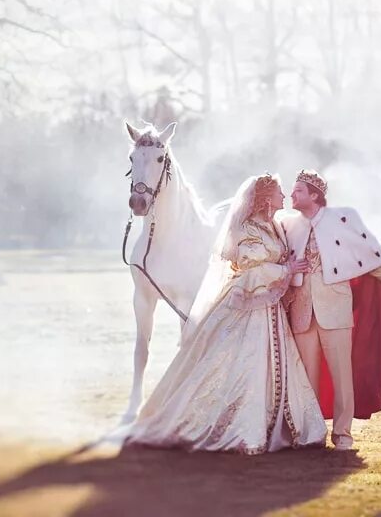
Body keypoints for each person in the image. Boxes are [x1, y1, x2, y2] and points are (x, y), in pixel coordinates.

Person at [125, 174, 327, 454]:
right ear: (267, 199)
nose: (284, 197)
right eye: (280, 192)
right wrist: (285, 270)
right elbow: (246, 268)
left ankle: (277, 424)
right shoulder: (245, 228)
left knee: (269, 368)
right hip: (248, 309)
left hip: (271, 312)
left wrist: (289, 269)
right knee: (241, 367)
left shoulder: (275, 226)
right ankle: (242, 428)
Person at [279, 169, 381, 451]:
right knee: (306, 379)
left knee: (342, 375)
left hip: (335, 309)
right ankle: (311, 433)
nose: (292, 196)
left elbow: (370, 256)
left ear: (314, 195)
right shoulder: (289, 226)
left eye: (298, 191)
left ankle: (342, 433)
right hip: (302, 312)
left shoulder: (343, 218)